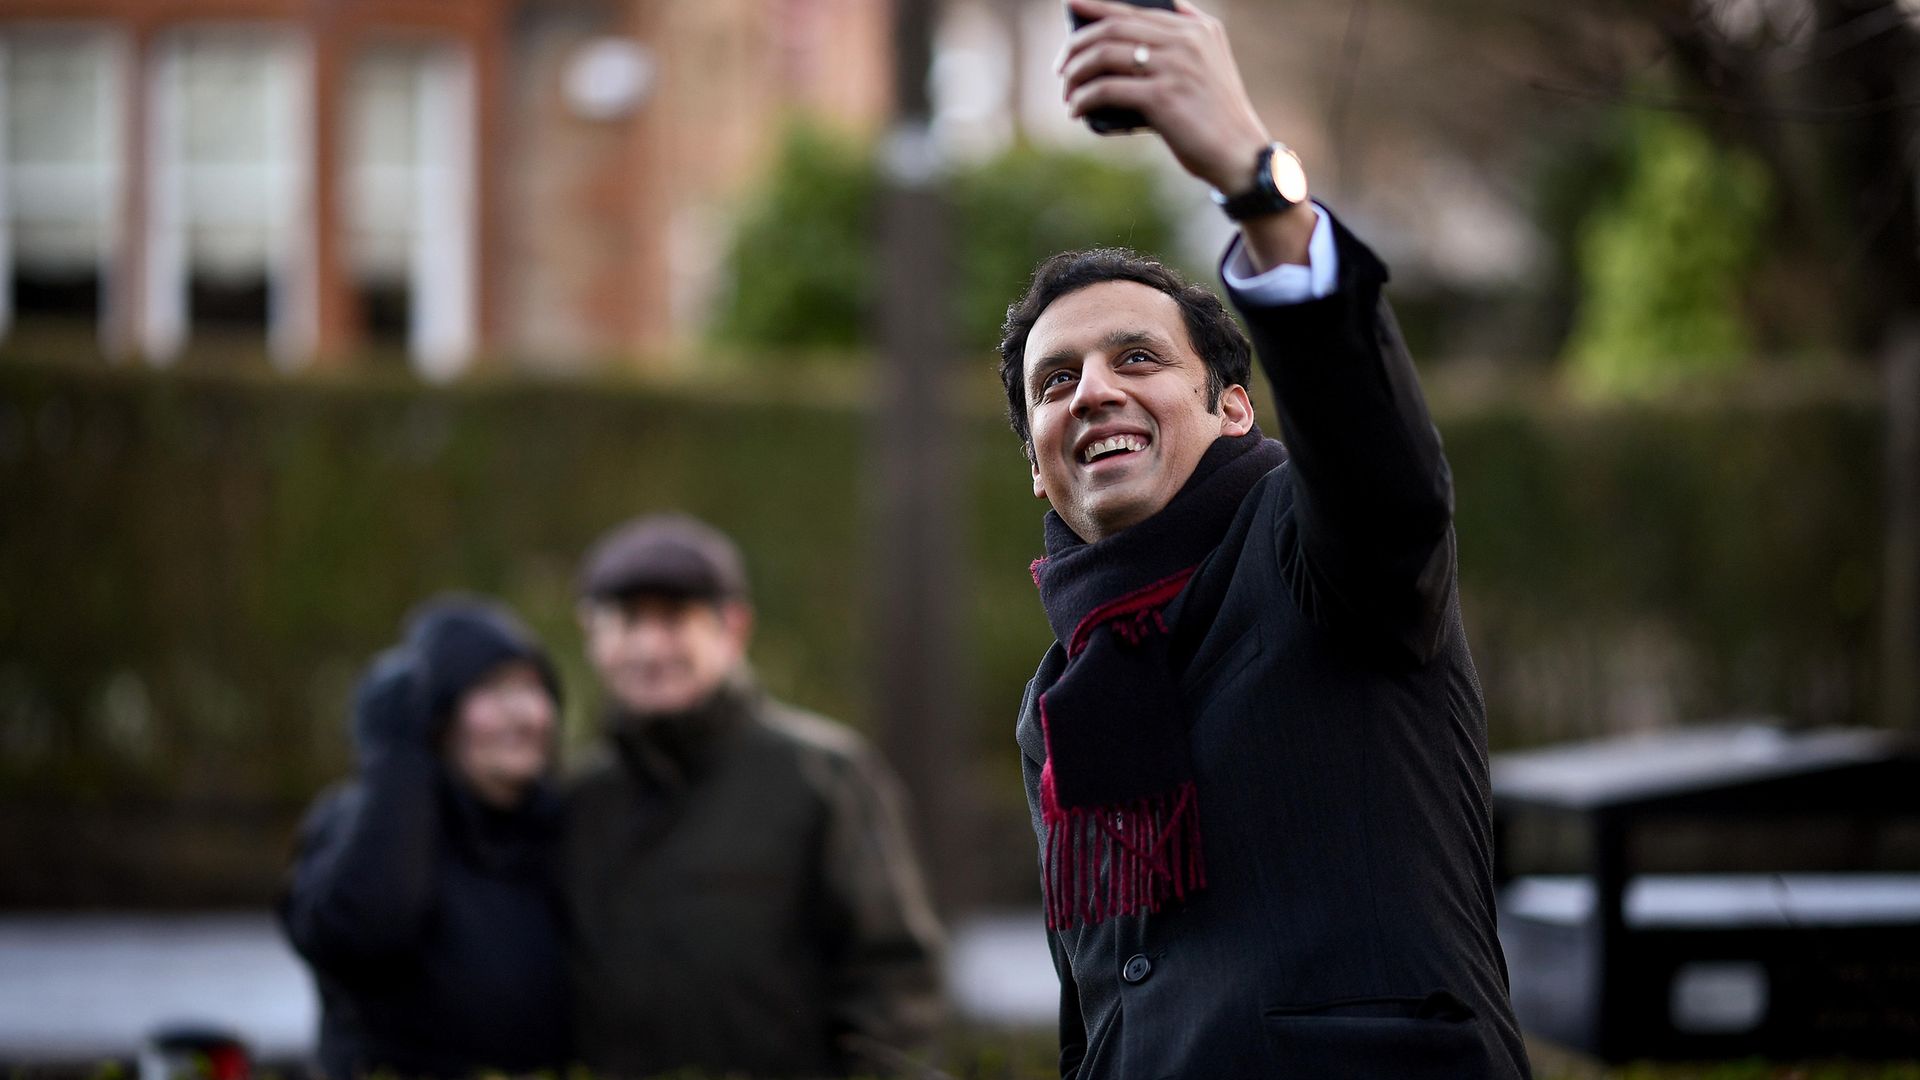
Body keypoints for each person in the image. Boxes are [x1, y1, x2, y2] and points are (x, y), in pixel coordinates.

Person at [999, 1, 1533, 1076]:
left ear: (1234, 407)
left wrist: (1255, 177)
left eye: (1137, 359)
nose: (1093, 392)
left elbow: (1384, 467)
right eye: (1056, 383)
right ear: (1036, 459)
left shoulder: (1315, 549)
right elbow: (1098, 1003)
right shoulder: (1059, 691)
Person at [560, 512, 945, 1078]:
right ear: (591, 634)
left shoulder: (825, 775)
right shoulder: (579, 801)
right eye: (626, 620)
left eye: (673, 618)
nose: (648, 644)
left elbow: (897, 985)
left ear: (733, 627)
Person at [280, 597, 570, 1078]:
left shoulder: (556, 830)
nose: (523, 714)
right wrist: (397, 761)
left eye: (533, 689)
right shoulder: (357, 822)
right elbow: (358, 934)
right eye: (494, 691)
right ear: (436, 716)